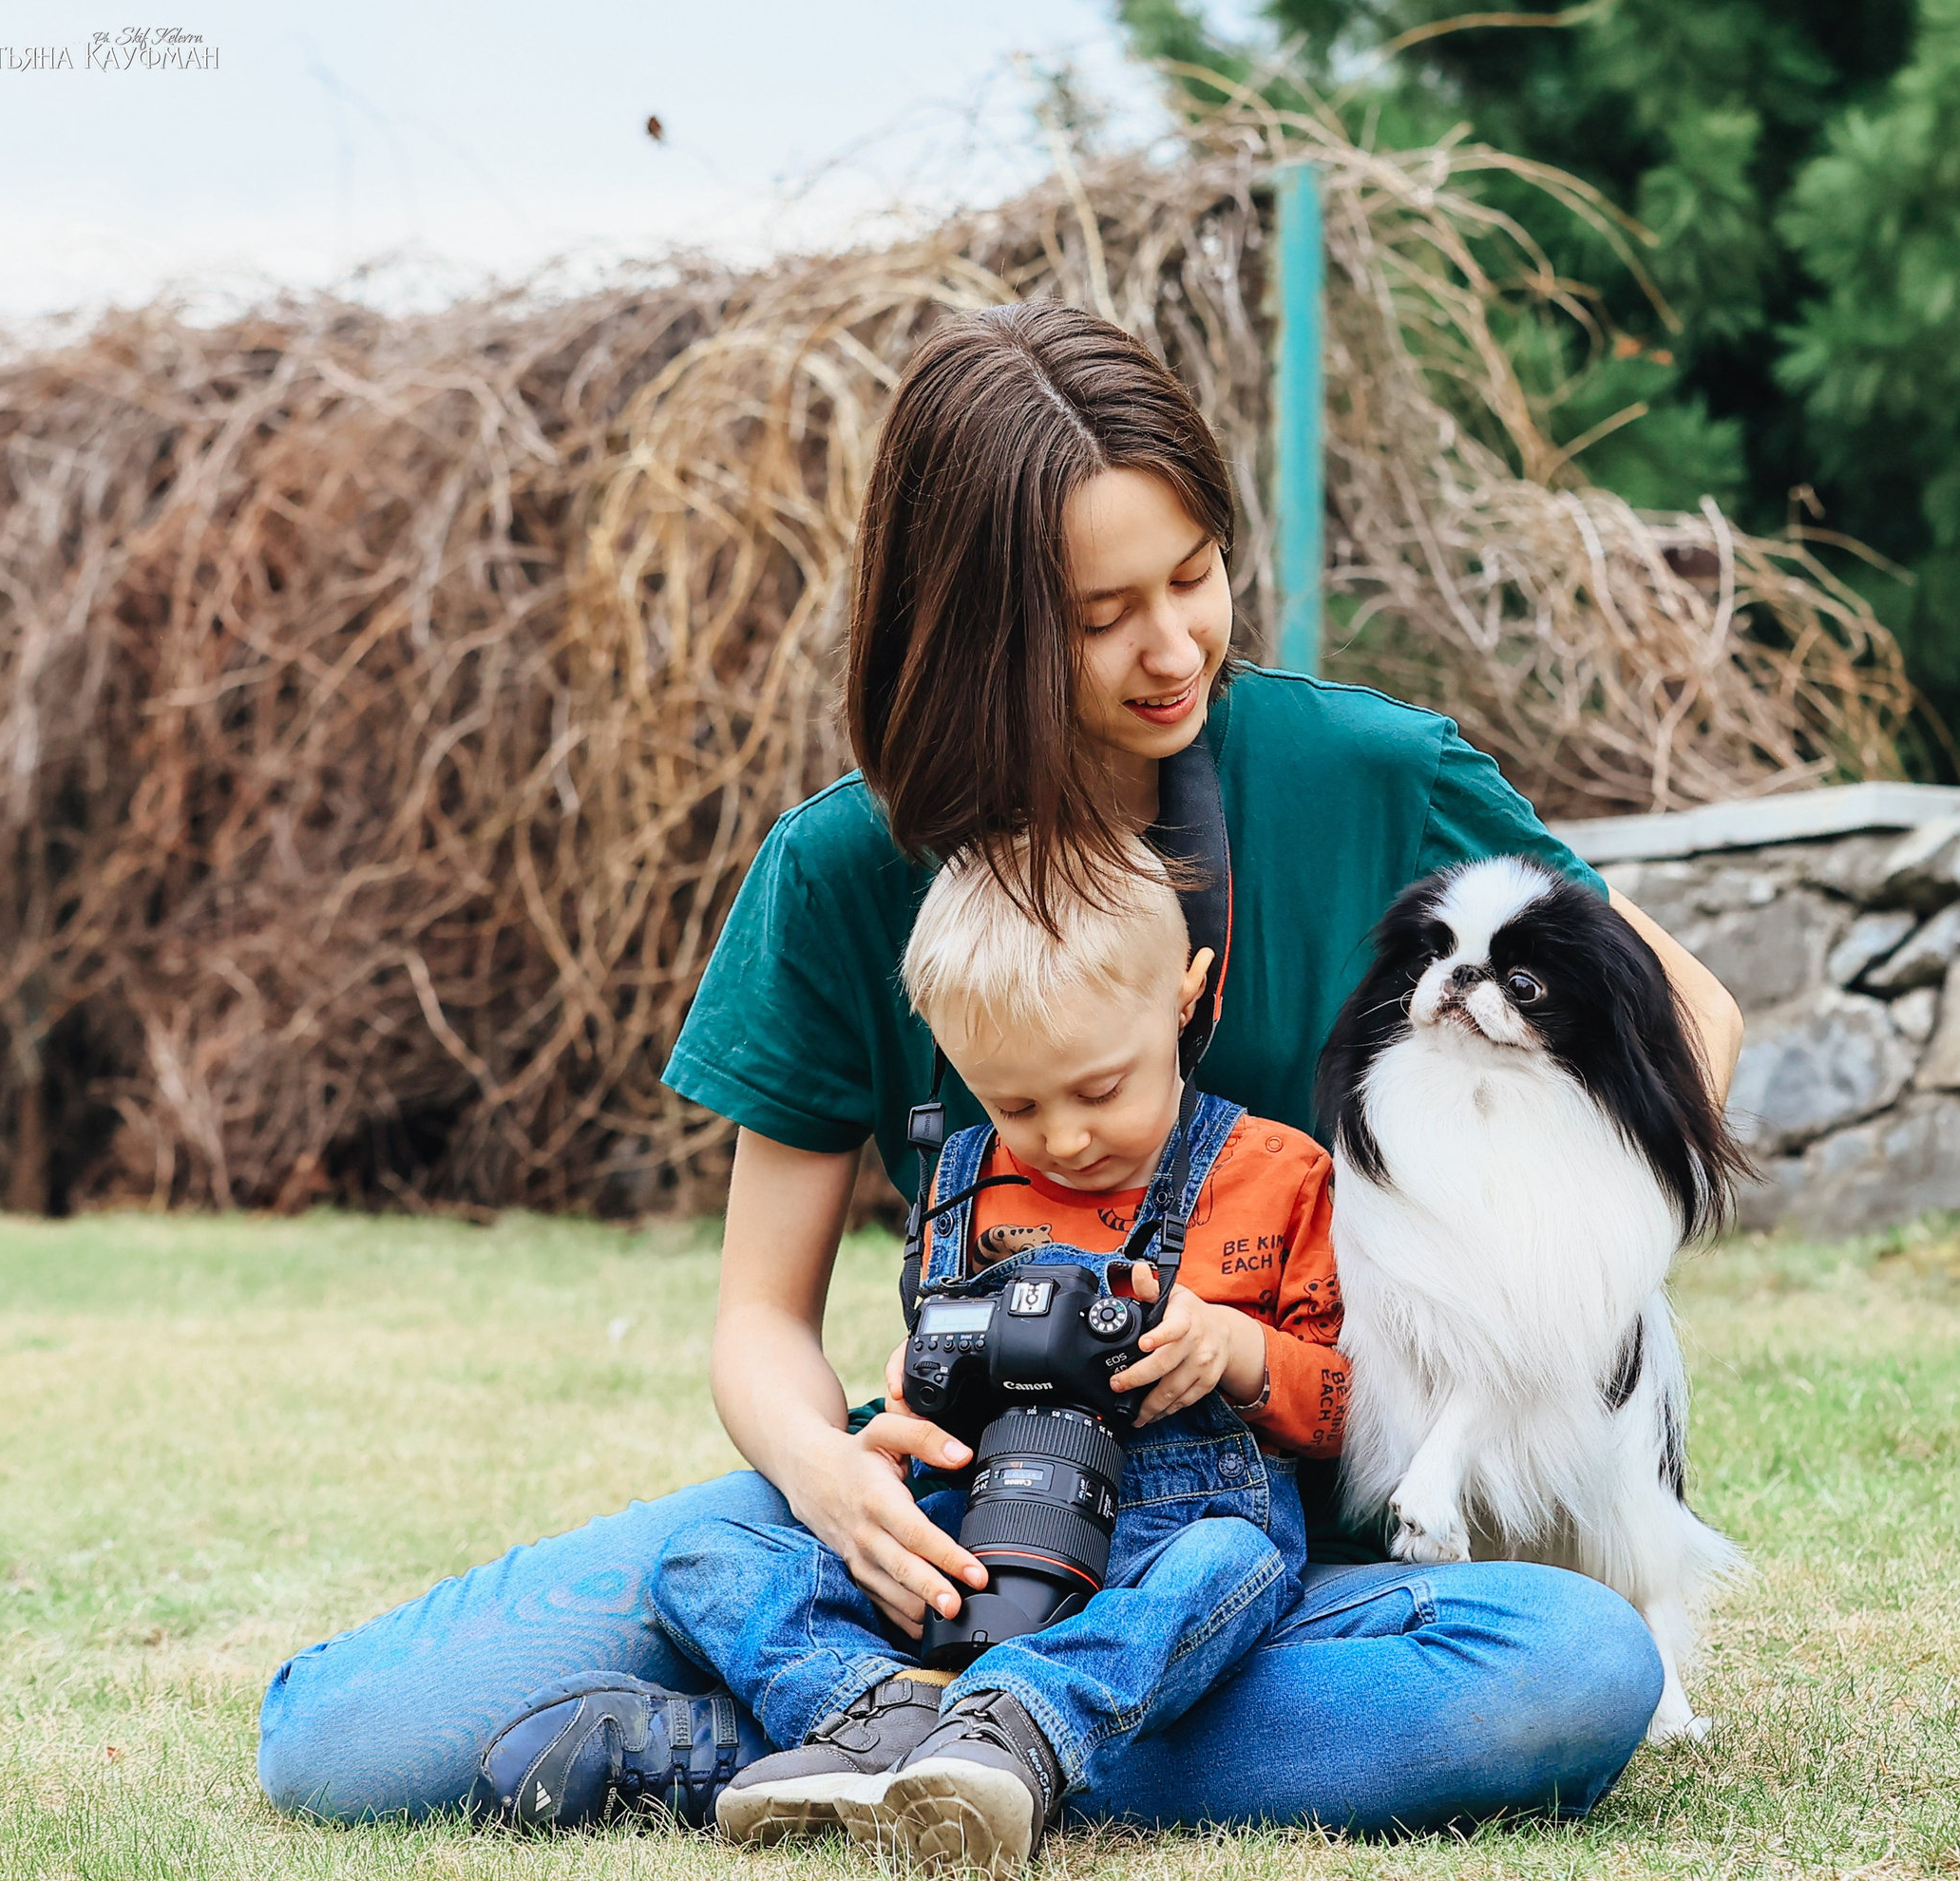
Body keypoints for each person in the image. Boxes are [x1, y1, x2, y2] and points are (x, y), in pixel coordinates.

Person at [254, 300, 1743, 1832]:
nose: (1176, 648)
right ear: (981, 622)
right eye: (1103, 614)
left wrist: (1516, 1277)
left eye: (1195, 575)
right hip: (948, 1522)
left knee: (1574, 1668)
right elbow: (759, 1317)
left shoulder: (1372, 776)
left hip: (1261, 1558)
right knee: (339, 1742)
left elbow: (1688, 1018)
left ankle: (834, 1735)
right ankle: (961, 1720)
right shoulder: (838, 870)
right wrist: (831, 1478)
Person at [628, 833, 1348, 1875]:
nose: (1063, 1139)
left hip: (1168, 1535)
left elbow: (1346, 1410)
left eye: (1100, 1090)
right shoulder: (962, 1178)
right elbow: (925, 1375)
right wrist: (914, 1402)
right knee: (700, 1557)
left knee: (1228, 1567)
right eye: (1014, 1106)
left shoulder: (1277, 1175)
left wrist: (1234, 1349)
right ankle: (883, 1716)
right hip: (965, 1535)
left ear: (1186, 995)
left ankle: (1015, 1729)